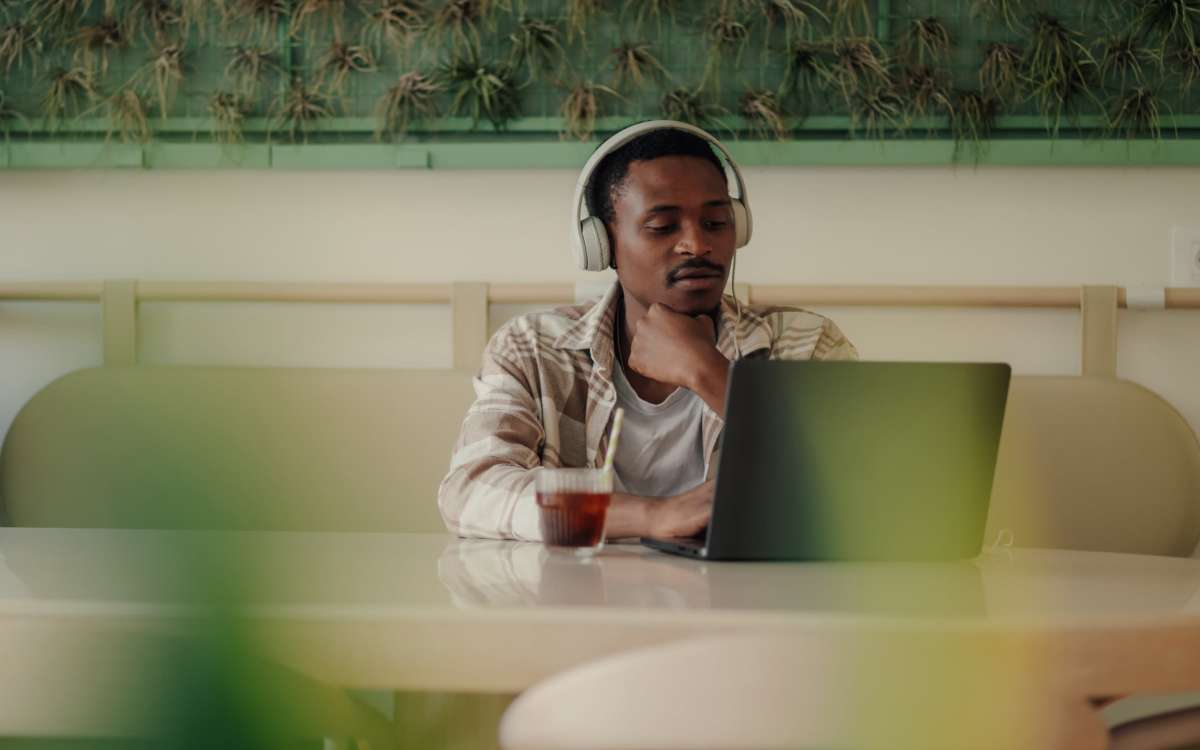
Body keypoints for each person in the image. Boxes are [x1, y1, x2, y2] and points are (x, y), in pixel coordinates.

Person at [438, 120, 857, 541]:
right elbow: (471, 491)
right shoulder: (532, 349)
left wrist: (708, 372)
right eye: (662, 227)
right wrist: (650, 516)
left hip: (747, 602)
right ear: (602, 245)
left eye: (715, 222)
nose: (696, 244)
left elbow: (857, 486)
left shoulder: (805, 343)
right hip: (575, 601)